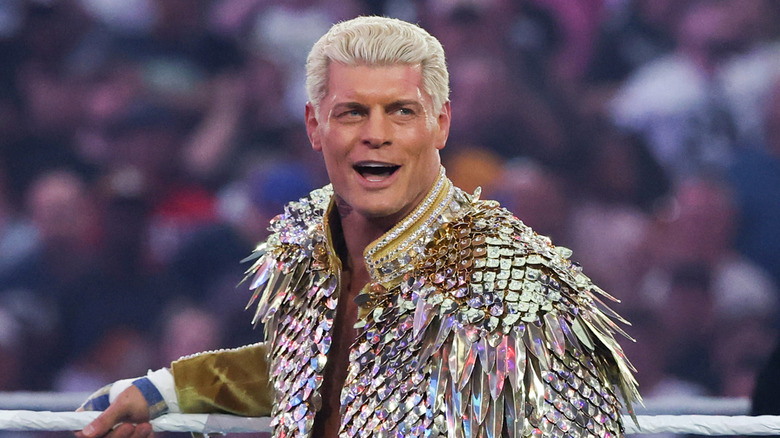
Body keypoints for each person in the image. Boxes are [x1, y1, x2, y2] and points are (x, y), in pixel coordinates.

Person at [76, 16, 640, 438]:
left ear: (440, 124)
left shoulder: (511, 273)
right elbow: (309, 368)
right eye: (352, 112)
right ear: (314, 126)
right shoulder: (305, 244)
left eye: (401, 111)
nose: (376, 134)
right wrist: (160, 393)